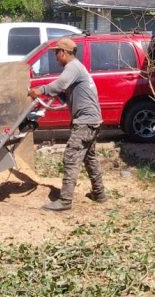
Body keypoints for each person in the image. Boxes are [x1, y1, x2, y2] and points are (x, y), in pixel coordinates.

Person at [28, 37, 106, 211]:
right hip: (92, 120)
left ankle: (65, 201)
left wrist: (41, 90)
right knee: (89, 157)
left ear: (64, 52)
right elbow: (66, 92)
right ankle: (99, 193)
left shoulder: (73, 67)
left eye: (57, 53)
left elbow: (61, 84)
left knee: (71, 157)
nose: (56, 57)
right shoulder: (78, 68)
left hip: (85, 122)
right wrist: (52, 93)